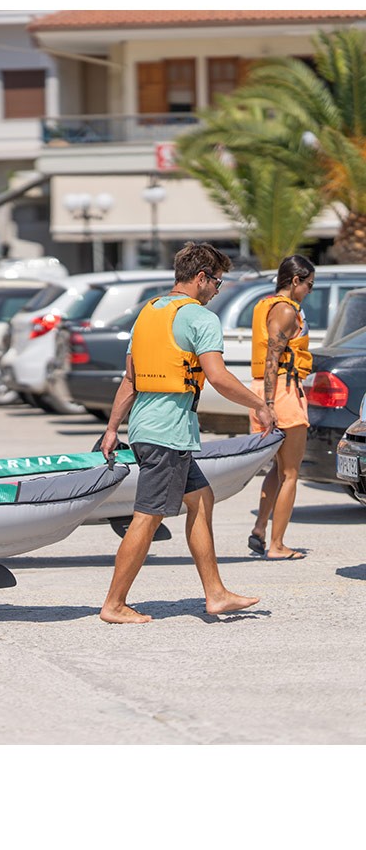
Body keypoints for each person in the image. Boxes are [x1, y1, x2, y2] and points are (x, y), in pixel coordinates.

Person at [98, 242, 275, 624]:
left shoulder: (148, 313)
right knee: (147, 517)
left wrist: (112, 429)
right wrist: (259, 405)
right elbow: (218, 377)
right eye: (217, 282)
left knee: (201, 499)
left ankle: (216, 593)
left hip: (147, 428)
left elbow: (130, 379)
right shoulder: (199, 317)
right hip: (168, 433)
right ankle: (114, 604)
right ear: (201, 278)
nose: (217, 290)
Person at [246, 255, 316, 560]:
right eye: (309, 285)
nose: (309, 292)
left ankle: (260, 530)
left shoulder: (267, 304)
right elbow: (273, 357)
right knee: (290, 473)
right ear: (295, 280)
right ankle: (277, 545)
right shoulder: (286, 310)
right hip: (282, 393)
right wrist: (270, 404)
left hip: (268, 391)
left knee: (278, 468)